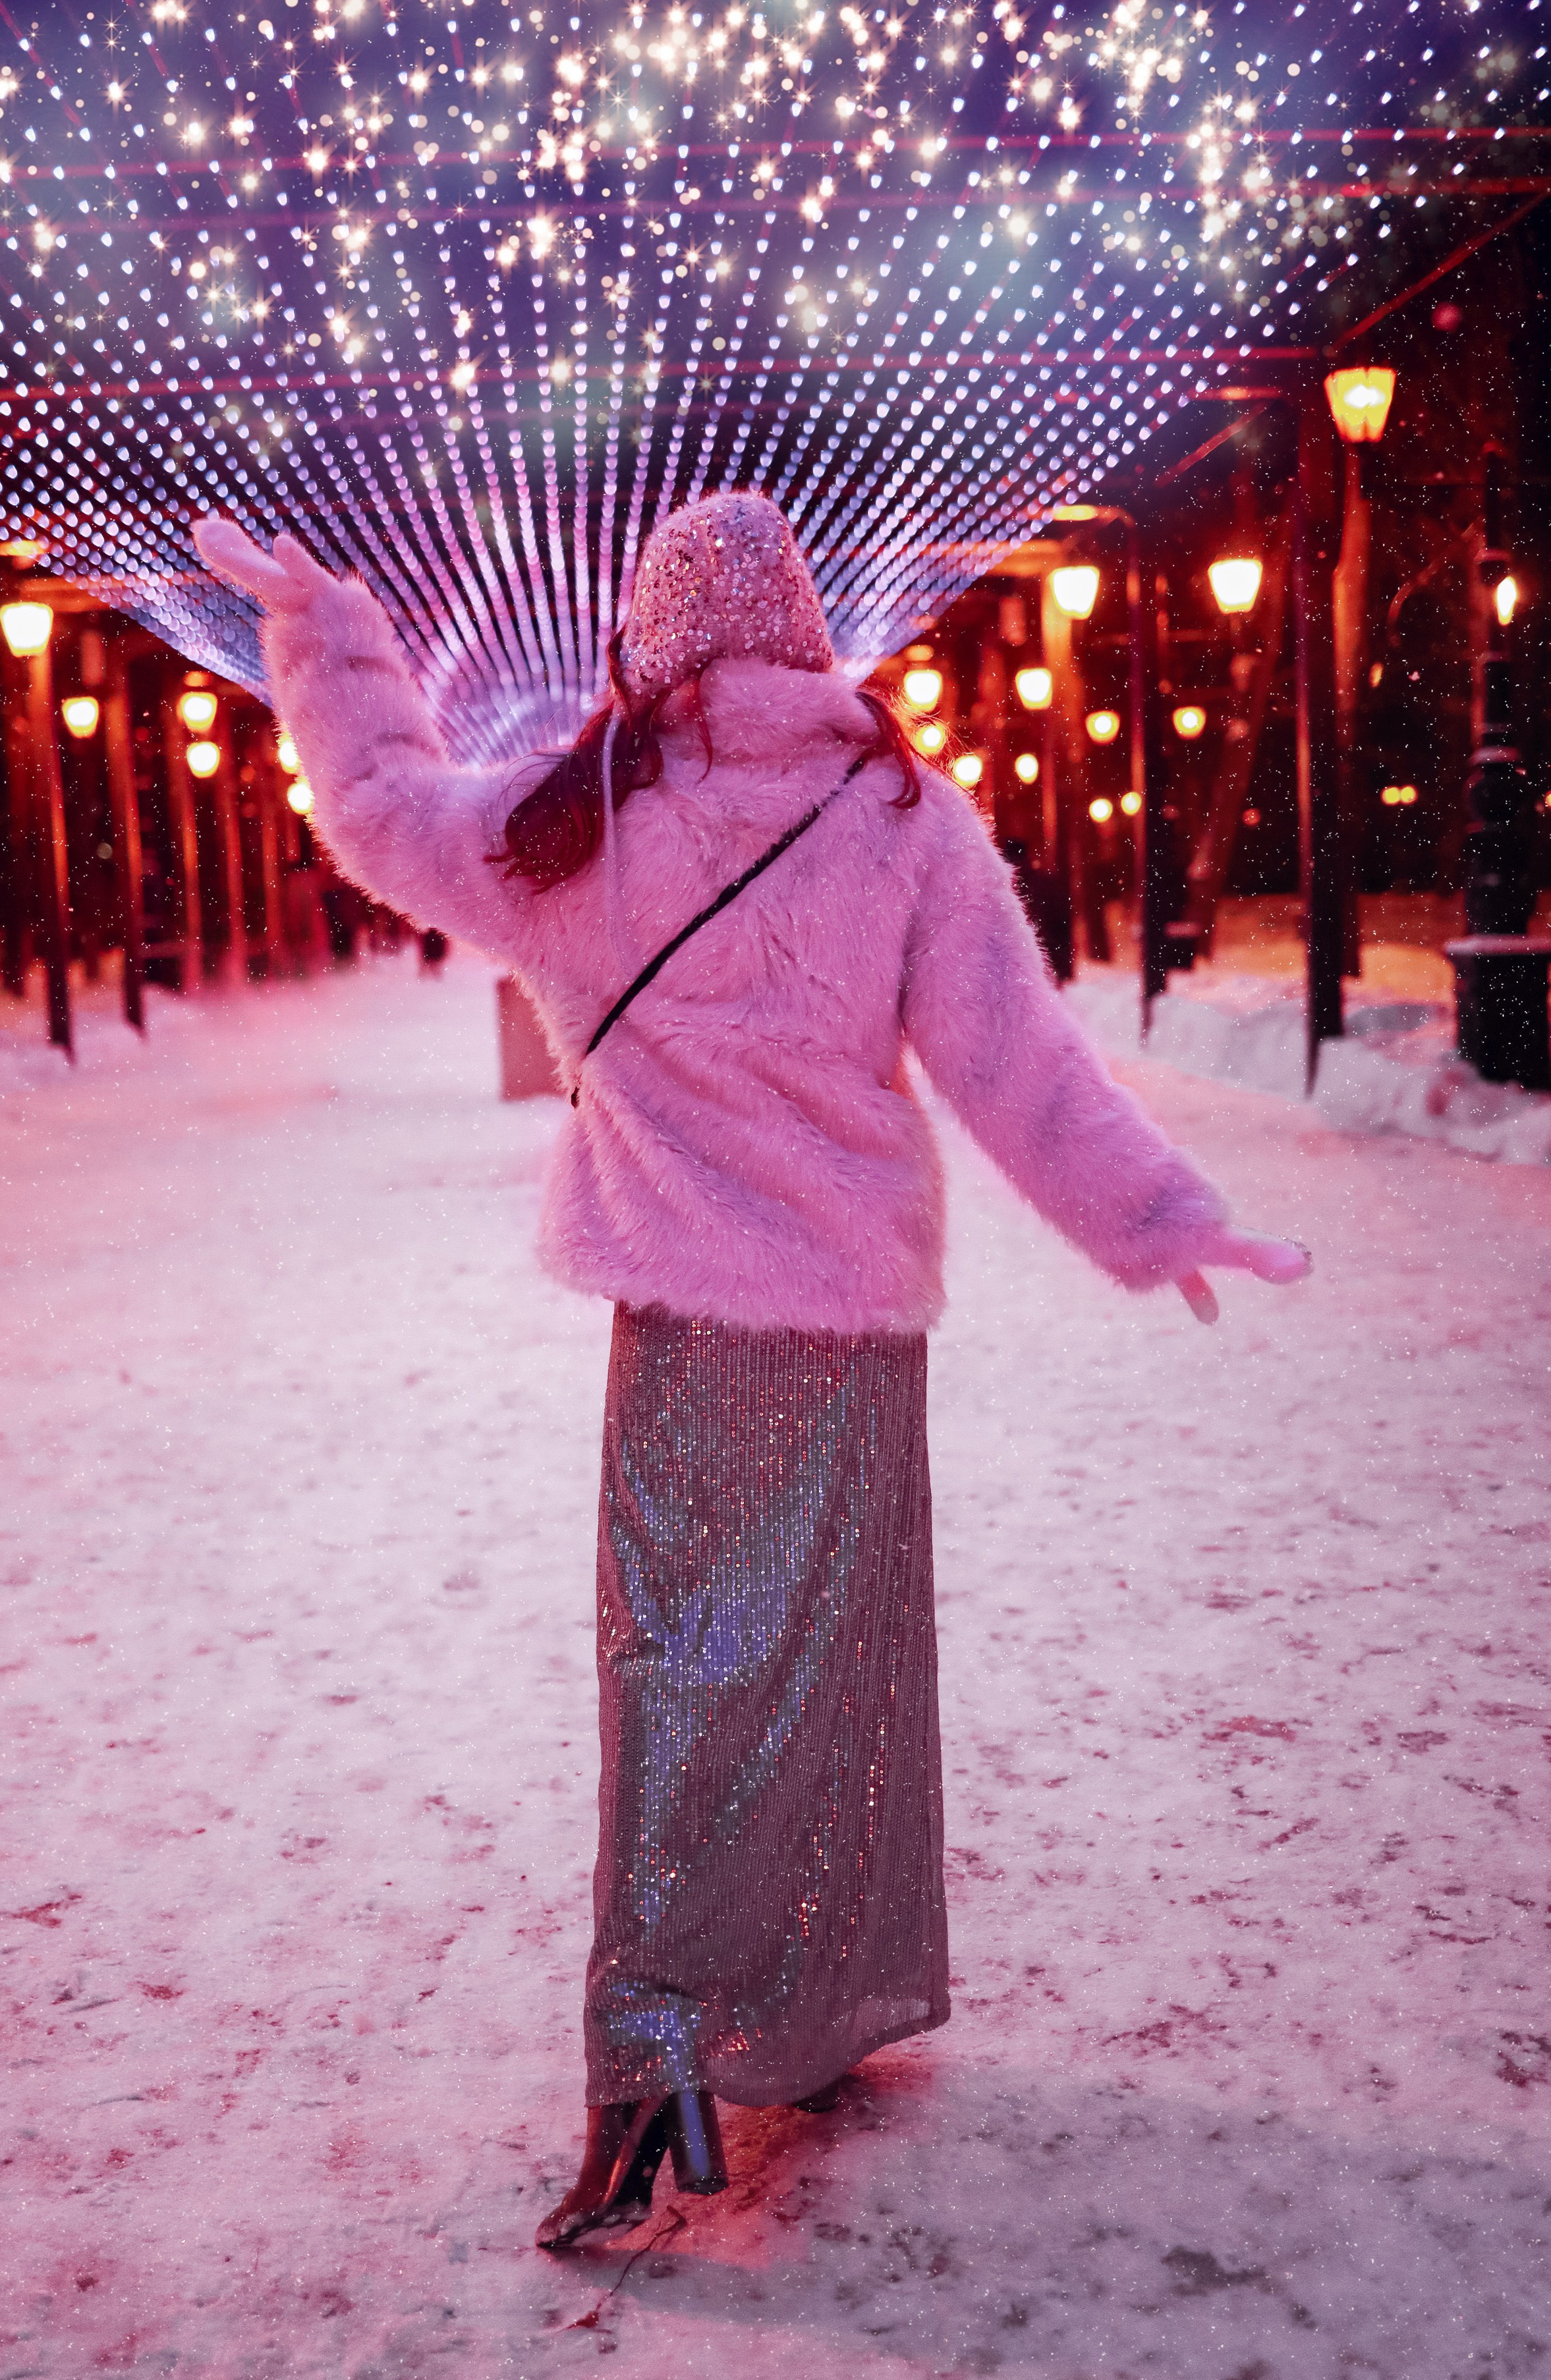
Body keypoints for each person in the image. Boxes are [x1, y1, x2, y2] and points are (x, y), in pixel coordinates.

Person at [194, 494, 1307, 2250]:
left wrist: (330, 638)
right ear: (801, 632)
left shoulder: (583, 828)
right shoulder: (898, 820)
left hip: (681, 1334)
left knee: (677, 1672)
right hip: (846, 1340)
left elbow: (383, 813)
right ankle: (780, 2015)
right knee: (835, 1684)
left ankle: (666, 2048)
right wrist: (1161, 1217)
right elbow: (1020, 1065)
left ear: (647, 638)